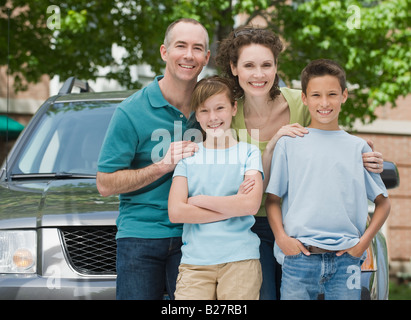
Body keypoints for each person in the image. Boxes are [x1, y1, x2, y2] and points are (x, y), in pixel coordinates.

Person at [215, 26, 385, 300]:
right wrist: (271, 146)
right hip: (244, 225)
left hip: (300, 227)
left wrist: (363, 153)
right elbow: (220, 175)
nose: (259, 74)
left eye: (266, 65)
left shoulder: (302, 102)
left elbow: (330, 136)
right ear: (234, 68)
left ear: (276, 67)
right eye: (249, 65)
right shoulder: (226, 112)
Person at [96, 18, 210, 300]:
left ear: (207, 58)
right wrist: (162, 166)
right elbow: (105, 184)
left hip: (195, 235)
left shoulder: (212, 109)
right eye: (180, 46)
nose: (188, 55)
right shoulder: (131, 111)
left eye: (197, 48)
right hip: (141, 235)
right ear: (164, 52)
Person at [265, 59, 391, 300]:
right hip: (299, 260)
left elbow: (384, 203)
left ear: (344, 95)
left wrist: (361, 245)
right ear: (304, 99)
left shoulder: (359, 148)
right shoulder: (289, 144)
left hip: (347, 263)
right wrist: (282, 239)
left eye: (332, 94)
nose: (324, 103)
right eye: (316, 95)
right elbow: (272, 199)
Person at [168, 76, 264, 300]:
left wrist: (200, 200)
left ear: (233, 108)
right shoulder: (188, 157)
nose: (213, 118)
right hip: (195, 264)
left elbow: (250, 205)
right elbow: (176, 212)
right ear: (196, 114)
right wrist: (233, 205)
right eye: (204, 111)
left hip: (240, 260)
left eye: (219, 108)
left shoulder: (249, 153)